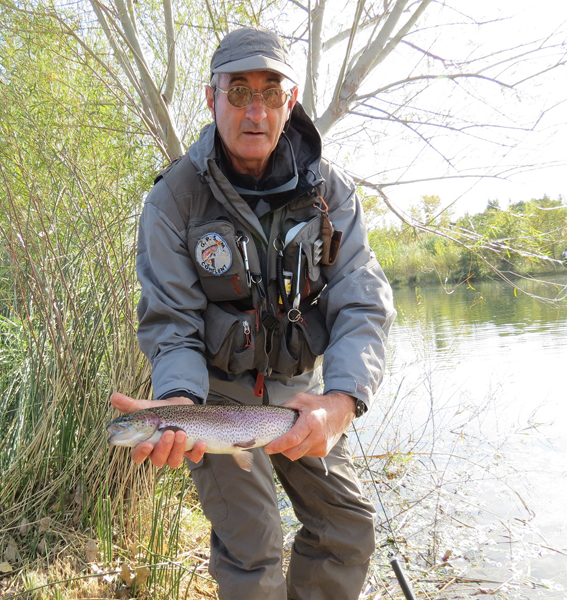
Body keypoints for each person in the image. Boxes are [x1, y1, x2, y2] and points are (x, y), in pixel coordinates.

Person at [110, 27, 396, 600]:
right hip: (214, 394)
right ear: (211, 97)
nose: (255, 110)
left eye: (271, 93)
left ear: (291, 102)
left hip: (297, 392)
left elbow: (362, 301)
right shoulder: (173, 200)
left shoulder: (330, 191)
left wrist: (342, 401)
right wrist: (180, 402)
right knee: (254, 546)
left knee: (347, 527)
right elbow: (171, 325)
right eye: (238, 92)